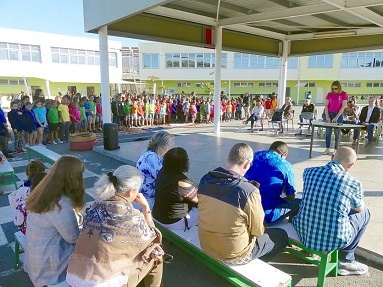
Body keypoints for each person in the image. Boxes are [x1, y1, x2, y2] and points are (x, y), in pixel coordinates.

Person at [66, 165, 163, 287]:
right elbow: (154, 238)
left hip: (76, 276)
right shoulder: (132, 216)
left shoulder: (95, 207)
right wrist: (146, 208)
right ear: (131, 191)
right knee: (156, 255)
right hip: (104, 282)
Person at [197, 143, 288, 264]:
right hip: (234, 254)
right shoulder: (249, 191)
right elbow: (258, 231)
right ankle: (256, 264)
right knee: (281, 236)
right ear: (246, 164)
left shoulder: (205, 180)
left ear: (229, 158)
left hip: (206, 245)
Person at [293, 147, 370, 276]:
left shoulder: (309, 172)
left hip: (303, 232)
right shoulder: (353, 182)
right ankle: (346, 260)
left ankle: (310, 250)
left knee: (316, 203)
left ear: (332, 156)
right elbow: (359, 208)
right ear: (351, 165)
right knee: (365, 213)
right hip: (334, 240)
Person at [24, 156, 85, 287]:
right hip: (49, 270)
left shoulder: (42, 190)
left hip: (35, 260)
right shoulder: (61, 203)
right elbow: (73, 238)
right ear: (74, 179)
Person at [245, 141, 299, 224]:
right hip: (266, 215)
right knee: (298, 203)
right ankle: (292, 229)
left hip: (246, 209)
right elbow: (291, 194)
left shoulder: (255, 155)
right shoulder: (284, 164)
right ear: (283, 155)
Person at [153, 147, 198, 231]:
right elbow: (199, 201)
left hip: (157, 216)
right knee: (208, 208)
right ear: (184, 163)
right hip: (173, 222)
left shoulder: (162, 172)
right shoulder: (181, 182)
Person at [136, 131, 175, 208]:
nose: (169, 149)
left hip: (141, 193)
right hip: (149, 198)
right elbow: (165, 178)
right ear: (162, 147)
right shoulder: (153, 159)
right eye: (168, 147)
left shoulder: (147, 154)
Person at [323, 81, 348, 155]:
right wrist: (327, 115)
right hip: (330, 114)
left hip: (338, 115)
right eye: (332, 88)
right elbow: (326, 106)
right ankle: (327, 148)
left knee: (337, 133)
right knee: (328, 132)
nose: (334, 90)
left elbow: (343, 106)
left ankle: (336, 149)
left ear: (339, 87)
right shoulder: (329, 94)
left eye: (336, 88)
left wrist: (337, 117)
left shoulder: (344, 94)